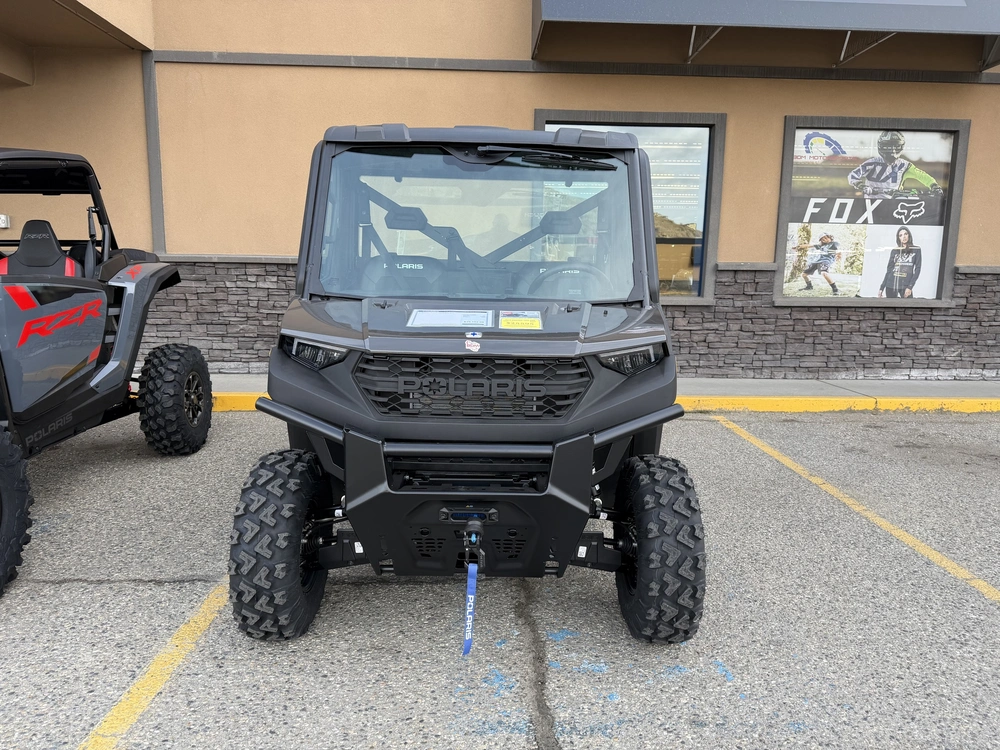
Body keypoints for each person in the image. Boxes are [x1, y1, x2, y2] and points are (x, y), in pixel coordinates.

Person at [848, 131, 944, 199]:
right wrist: (861, 186)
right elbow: (853, 175)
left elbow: (922, 176)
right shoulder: (872, 163)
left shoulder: (905, 166)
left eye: (896, 146)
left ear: (901, 147)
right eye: (888, 146)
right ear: (881, 146)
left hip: (895, 204)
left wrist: (934, 186)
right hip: (871, 204)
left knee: (914, 201)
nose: (892, 150)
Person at [878, 226, 922, 298]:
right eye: (900, 235)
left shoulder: (916, 249)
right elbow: (889, 270)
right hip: (891, 284)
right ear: (898, 238)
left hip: (906, 285)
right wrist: (882, 287)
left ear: (909, 235)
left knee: (908, 307)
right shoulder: (895, 251)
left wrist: (910, 286)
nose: (903, 237)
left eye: (905, 234)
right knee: (890, 308)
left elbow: (917, 269)